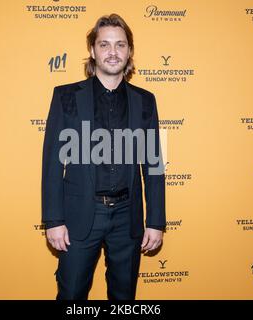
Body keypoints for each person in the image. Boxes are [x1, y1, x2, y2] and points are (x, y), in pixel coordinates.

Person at [41, 13, 166, 300]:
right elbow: (51, 163)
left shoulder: (146, 100)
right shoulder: (66, 97)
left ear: (129, 51)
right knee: (71, 295)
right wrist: (53, 219)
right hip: (79, 216)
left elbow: (154, 166)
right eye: (105, 44)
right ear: (92, 51)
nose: (113, 52)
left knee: (124, 298)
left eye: (120, 45)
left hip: (128, 217)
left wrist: (156, 221)